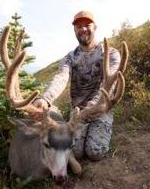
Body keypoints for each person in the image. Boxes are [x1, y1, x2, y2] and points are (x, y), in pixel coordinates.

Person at [33, 11, 121, 161]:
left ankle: (100, 130)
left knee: (95, 152)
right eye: (79, 26)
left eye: (87, 25)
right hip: (78, 114)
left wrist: (93, 106)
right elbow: (61, 78)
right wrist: (45, 99)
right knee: (76, 153)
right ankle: (84, 132)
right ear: (74, 30)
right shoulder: (69, 58)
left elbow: (110, 85)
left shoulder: (111, 54)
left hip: (101, 109)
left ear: (95, 27)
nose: (83, 29)